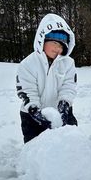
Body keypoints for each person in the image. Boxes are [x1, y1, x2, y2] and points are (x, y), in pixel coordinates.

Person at [16, 13, 78, 143]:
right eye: (54, 43)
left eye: (61, 46)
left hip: (62, 112)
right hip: (31, 115)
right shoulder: (28, 64)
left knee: (70, 141)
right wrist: (34, 110)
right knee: (35, 147)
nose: (57, 48)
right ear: (42, 40)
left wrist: (65, 104)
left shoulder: (68, 63)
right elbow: (27, 90)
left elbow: (69, 86)